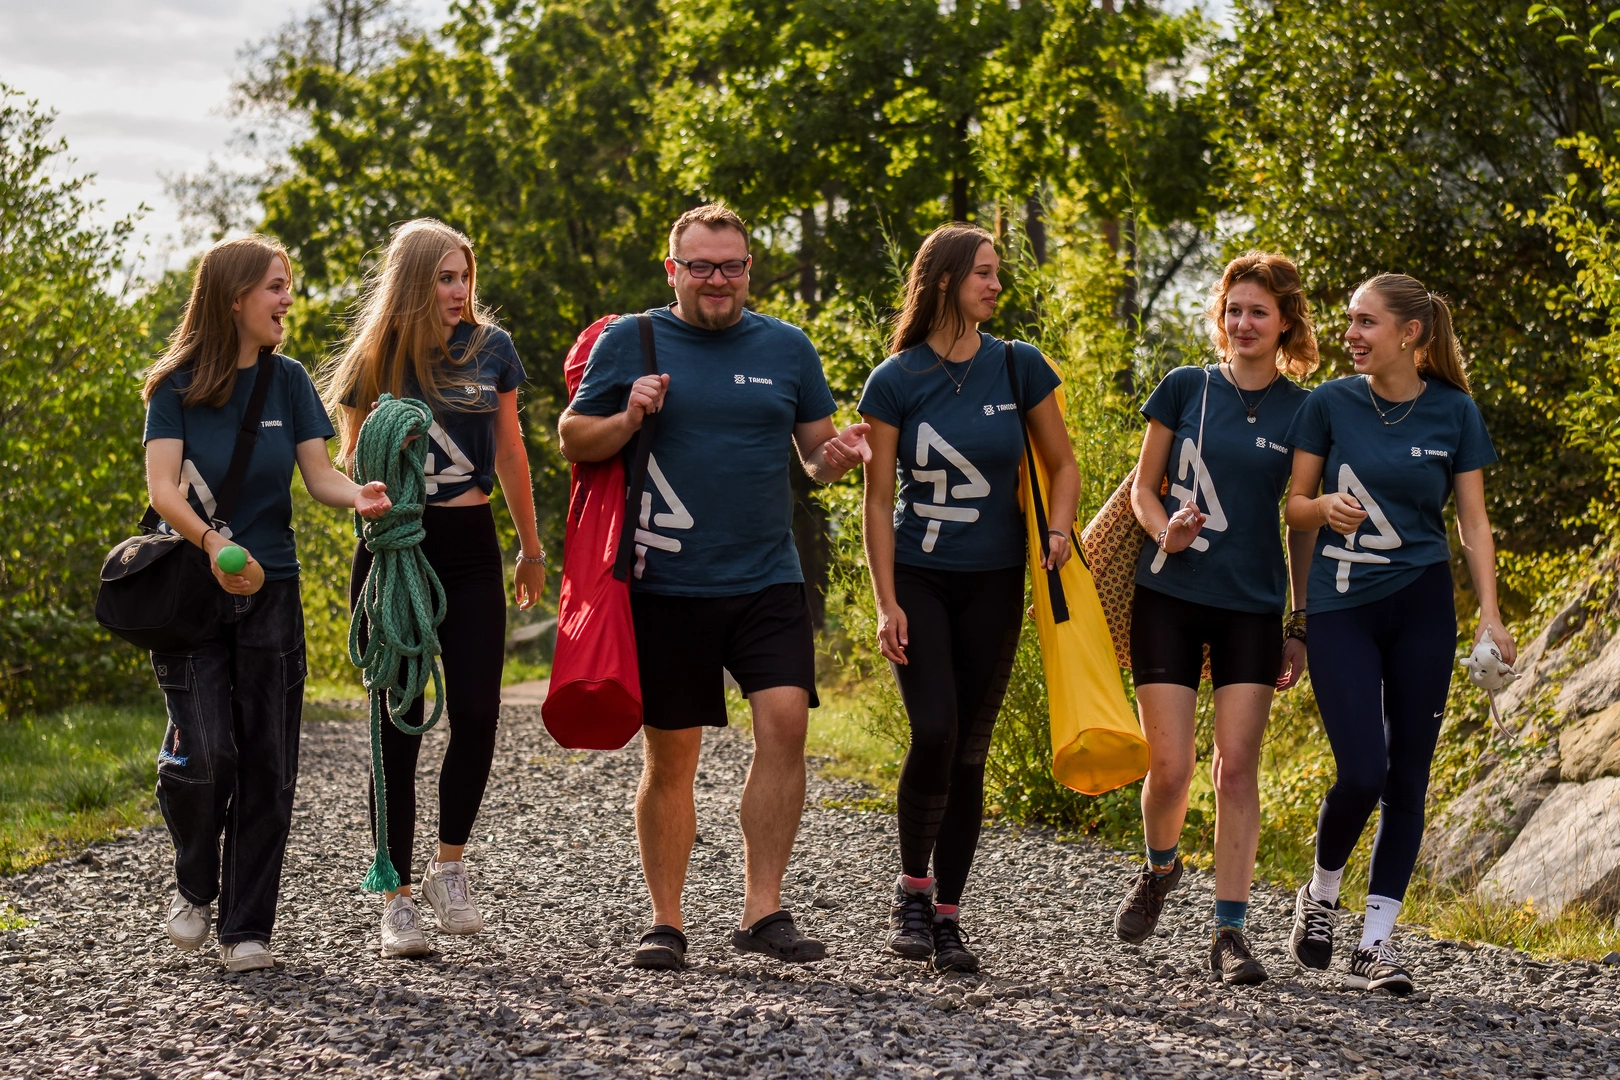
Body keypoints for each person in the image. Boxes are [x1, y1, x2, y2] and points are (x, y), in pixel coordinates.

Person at [557, 203, 870, 970]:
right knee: (671, 760)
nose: (718, 279)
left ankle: (763, 909)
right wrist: (628, 414)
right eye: (701, 266)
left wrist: (839, 457)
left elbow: (813, 458)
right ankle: (666, 920)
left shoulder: (788, 347)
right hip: (664, 583)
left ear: (748, 270)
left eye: (731, 266)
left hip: (767, 577)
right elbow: (572, 436)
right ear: (674, 271)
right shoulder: (632, 341)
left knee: (786, 726)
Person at [144, 236, 392, 972]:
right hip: (193, 591)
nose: (288, 300)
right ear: (234, 298)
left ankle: (246, 928)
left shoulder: (288, 382)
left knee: (268, 767)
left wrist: (361, 495)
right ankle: (196, 881)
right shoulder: (175, 386)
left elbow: (319, 476)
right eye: (276, 287)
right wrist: (214, 547)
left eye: (289, 286)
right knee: (207, 754)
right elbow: (162, 489)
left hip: (273, 594)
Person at [858, 224, 1079, 973]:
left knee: (971, 752)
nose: (996, 284)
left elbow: (1064, 462)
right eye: (984, 273)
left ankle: (948, 913)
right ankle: (910, 890)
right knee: (936, 731)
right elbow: (878, 497)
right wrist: (887, 602)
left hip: (995, 581)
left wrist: (1056, 528)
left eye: (997, 273)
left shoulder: (1019, 368)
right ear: (946, 280)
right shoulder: (895, 379)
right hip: (919, 575)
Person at [323, 218, 546, 959]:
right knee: (399, 721)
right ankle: (398, 897)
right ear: (415, 282)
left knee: (478, 711)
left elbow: (510, 448)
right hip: (398, 552)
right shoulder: (374, 357)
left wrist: (531, 546)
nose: (459, 291)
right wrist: (380, 478)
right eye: (445, 278)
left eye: (464, 277)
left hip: (473, 545)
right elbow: (352, 457)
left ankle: (451, 868)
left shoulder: (492, 350)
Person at [1283, 273, 1510, 996]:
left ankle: (1376, 945)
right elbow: (1290, 507)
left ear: (1409, 335)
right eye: (1351, 321)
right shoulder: (1329, 403)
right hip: (1342, 606)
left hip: (1421, 605)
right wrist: (1322, 508)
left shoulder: (1455, 412)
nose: (1350, 334)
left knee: (1409, 775)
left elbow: (1472, 523)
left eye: (1365, 322)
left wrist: (1491, 613)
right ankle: (1319, 896)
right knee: (1363, 772)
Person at [1112, 252, 1319, 986]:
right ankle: (1160, 868)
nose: (1243, 322)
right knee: (1170, 769)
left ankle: (1230, 932)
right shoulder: (1185, 387)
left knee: (1237, 771)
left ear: (1285, 320)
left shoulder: (1305, 410)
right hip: (1169, 593)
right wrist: (1163, 524)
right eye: (1233, 308)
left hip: (1252, 606)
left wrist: (1299, 622)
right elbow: (1144, 488)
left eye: (1258, 311)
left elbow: (1301, 523)